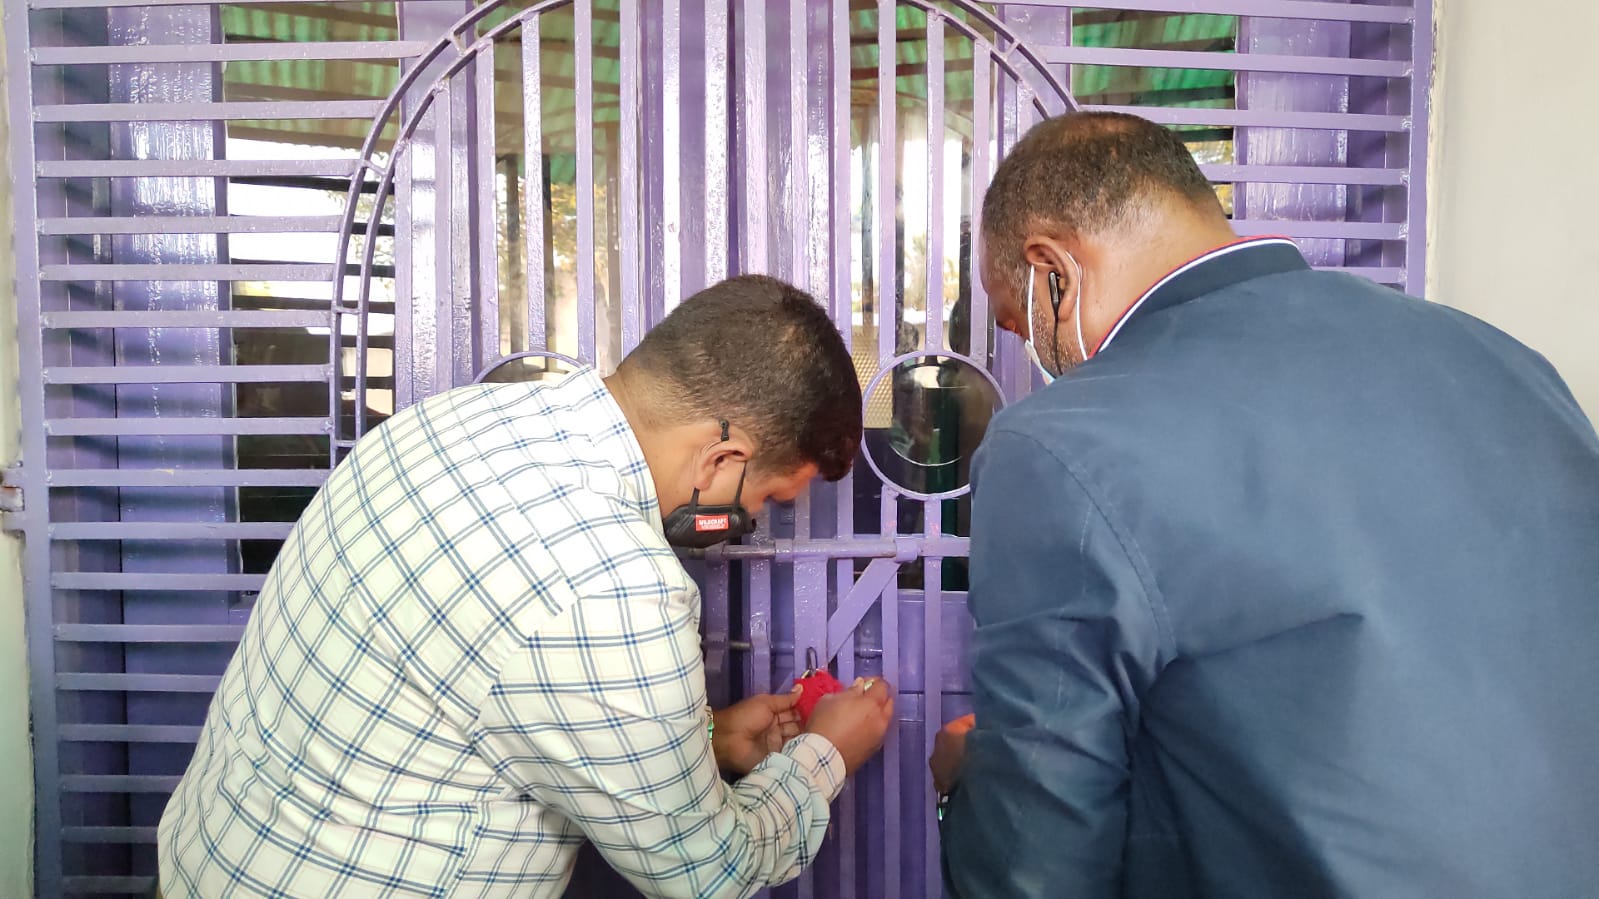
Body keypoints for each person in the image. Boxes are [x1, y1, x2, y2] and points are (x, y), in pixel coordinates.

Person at [930, 111, 1599, 897]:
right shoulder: (1506, 361)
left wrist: (965, 788)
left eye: (1018, 324)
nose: (1030, 350)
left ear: (1053, 271)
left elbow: (1035, 868)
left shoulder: (1058, 445)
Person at [158, 275, 896, 898]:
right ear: (720, 460)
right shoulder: (616, 584)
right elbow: (706, 871)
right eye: (766, 497)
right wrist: (823, 755)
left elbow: (469, 693)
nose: (751, 519)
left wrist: (702, 737)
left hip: (215, 862)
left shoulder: (449, 421)